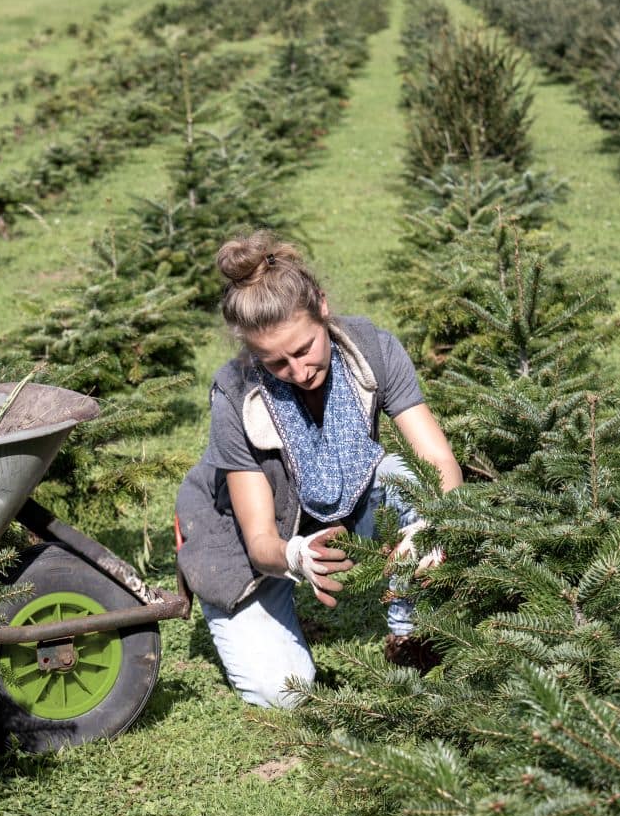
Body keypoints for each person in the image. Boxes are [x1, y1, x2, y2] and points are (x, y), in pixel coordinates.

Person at [175, 230, 463, 708]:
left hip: (345, 496)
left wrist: (430, 525)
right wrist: (294, 556)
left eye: (304, 348)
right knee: (282, 692)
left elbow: (439, 462)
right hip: (242, 533)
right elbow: (260, 540)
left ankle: (410, 636)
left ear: (323, 308)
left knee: (413, 480)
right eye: (276, 362)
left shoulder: (372, 350)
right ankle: (220, 576)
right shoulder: (235, 393)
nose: (299, 370)